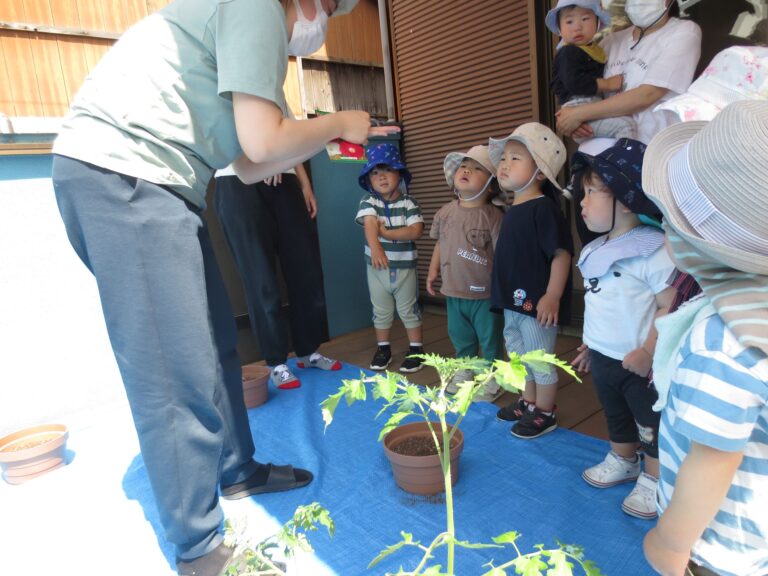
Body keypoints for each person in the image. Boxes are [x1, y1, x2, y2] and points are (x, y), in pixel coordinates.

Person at [49, 1, 398, 574]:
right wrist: (340, 122)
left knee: (216, 344)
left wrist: (325, 134)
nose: (324, 22)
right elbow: (263, 145)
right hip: (124, 175)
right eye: (329, 7)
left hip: (164, 185)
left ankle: (238, 471)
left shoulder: (254, 35)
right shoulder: (257, 5)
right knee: (173, 373)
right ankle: (199, 548)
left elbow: (254, 164)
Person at [641, 100, 768, 576]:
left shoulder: (724, 340)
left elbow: (713, 458)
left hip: (717, 549)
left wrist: (671, 545)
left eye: (667, 221)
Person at [569, 138, 675, 519]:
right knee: (613, 412)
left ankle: (654, 476)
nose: (582, 202)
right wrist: (588, 344)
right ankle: (624, 459)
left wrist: (648, 351)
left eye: (593, 192)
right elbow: (598, 301)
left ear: (626, 198)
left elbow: (670, 306)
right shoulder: (591, 251)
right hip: (603, 355)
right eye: (583, 193)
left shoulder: (654, 250)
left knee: (649, 421)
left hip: (640, 363)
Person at [214, 159, 341, 391]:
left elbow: (292, 137)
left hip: (286, 176)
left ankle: (307, 350)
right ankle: (276, 362)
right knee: (260, 278)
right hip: (239, 179)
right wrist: (263, 163)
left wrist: (305, 184)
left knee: (305, 270)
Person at [489, 123, 573, 439]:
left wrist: (552, 294)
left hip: (536, 303)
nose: (505, 164)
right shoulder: (513, 209)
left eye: (516, 158)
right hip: (512, 301)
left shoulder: (544, 209)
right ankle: (530, 401)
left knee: (539, 358)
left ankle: (546, 412)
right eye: (504, 158)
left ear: (539, 173)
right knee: (520, 355)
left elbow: (561, 254)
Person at [556, 0, 702, 145]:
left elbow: (647, 95)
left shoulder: (683, 31)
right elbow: (578, 85)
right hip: (595, 155)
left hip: (648, 152)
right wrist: (572, 120)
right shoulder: (609, 42)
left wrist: (578, 114)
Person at [426, 145, 504, 401]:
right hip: (453, 290)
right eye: (464, 166)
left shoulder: (493, 216)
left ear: (491, 185)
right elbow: (440, 243)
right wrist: (432, 270)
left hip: (484, 293)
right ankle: (464, 369)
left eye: (477, 168)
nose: (467, 170)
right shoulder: (445, 212)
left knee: (489, 336)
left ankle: (491, 374)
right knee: (460, 335)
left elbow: (502, 252)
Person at [355, 143, 425, 373]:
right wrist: (376, 247)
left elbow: (415, 231)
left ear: (399, 173)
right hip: (376, 269)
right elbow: (369, 223)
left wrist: (386, 234)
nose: (381, 176)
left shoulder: (409, 203)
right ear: (369, 179)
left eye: (387, 169)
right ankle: (383, 348)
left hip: (404, 267)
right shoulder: (369, 201)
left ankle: (416, 349)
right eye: (375, 172)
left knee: (408, 309)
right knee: (381, 310)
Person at [545, 0, 635, 142]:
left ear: (597, 23)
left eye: (585, 19)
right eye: (569, 22)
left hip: (588, 110)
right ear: (560, 29)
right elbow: (575, 82)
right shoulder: (568, 53)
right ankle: (624, 162)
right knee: (625, 126)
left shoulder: (593, 49)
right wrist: (607, 84)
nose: (578, 27)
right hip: (579, 108)